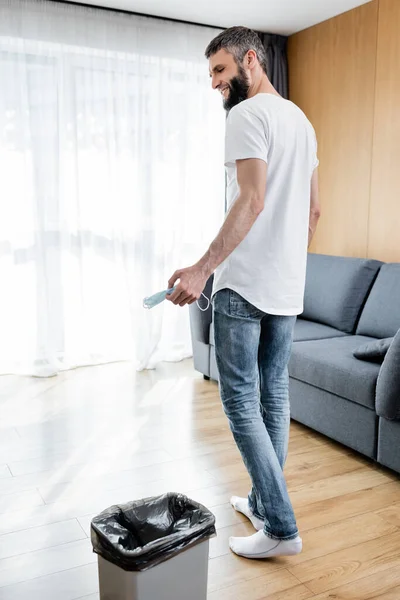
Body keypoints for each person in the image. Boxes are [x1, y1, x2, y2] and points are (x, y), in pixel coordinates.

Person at [166, 26, 321, 559]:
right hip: (285, 286)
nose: (214, 84)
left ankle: (280, 526)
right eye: (210, 74)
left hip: (246, 284)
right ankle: (262, 500)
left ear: (250, 60)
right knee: (272, 396)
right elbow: (313, 212)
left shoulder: (246, 115)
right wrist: (286, 260)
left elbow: (250, 201)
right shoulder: (301, 121)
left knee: (238, 400)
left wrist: (202, 269)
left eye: (219, 71)